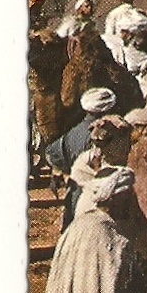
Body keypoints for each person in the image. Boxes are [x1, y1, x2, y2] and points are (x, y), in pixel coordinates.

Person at [46, 87, 118, 230]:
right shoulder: (111, 136)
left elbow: (51, 154)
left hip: (74, 199)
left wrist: (65, 172)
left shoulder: (72, 134)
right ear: (108, 109)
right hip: (99, 202)